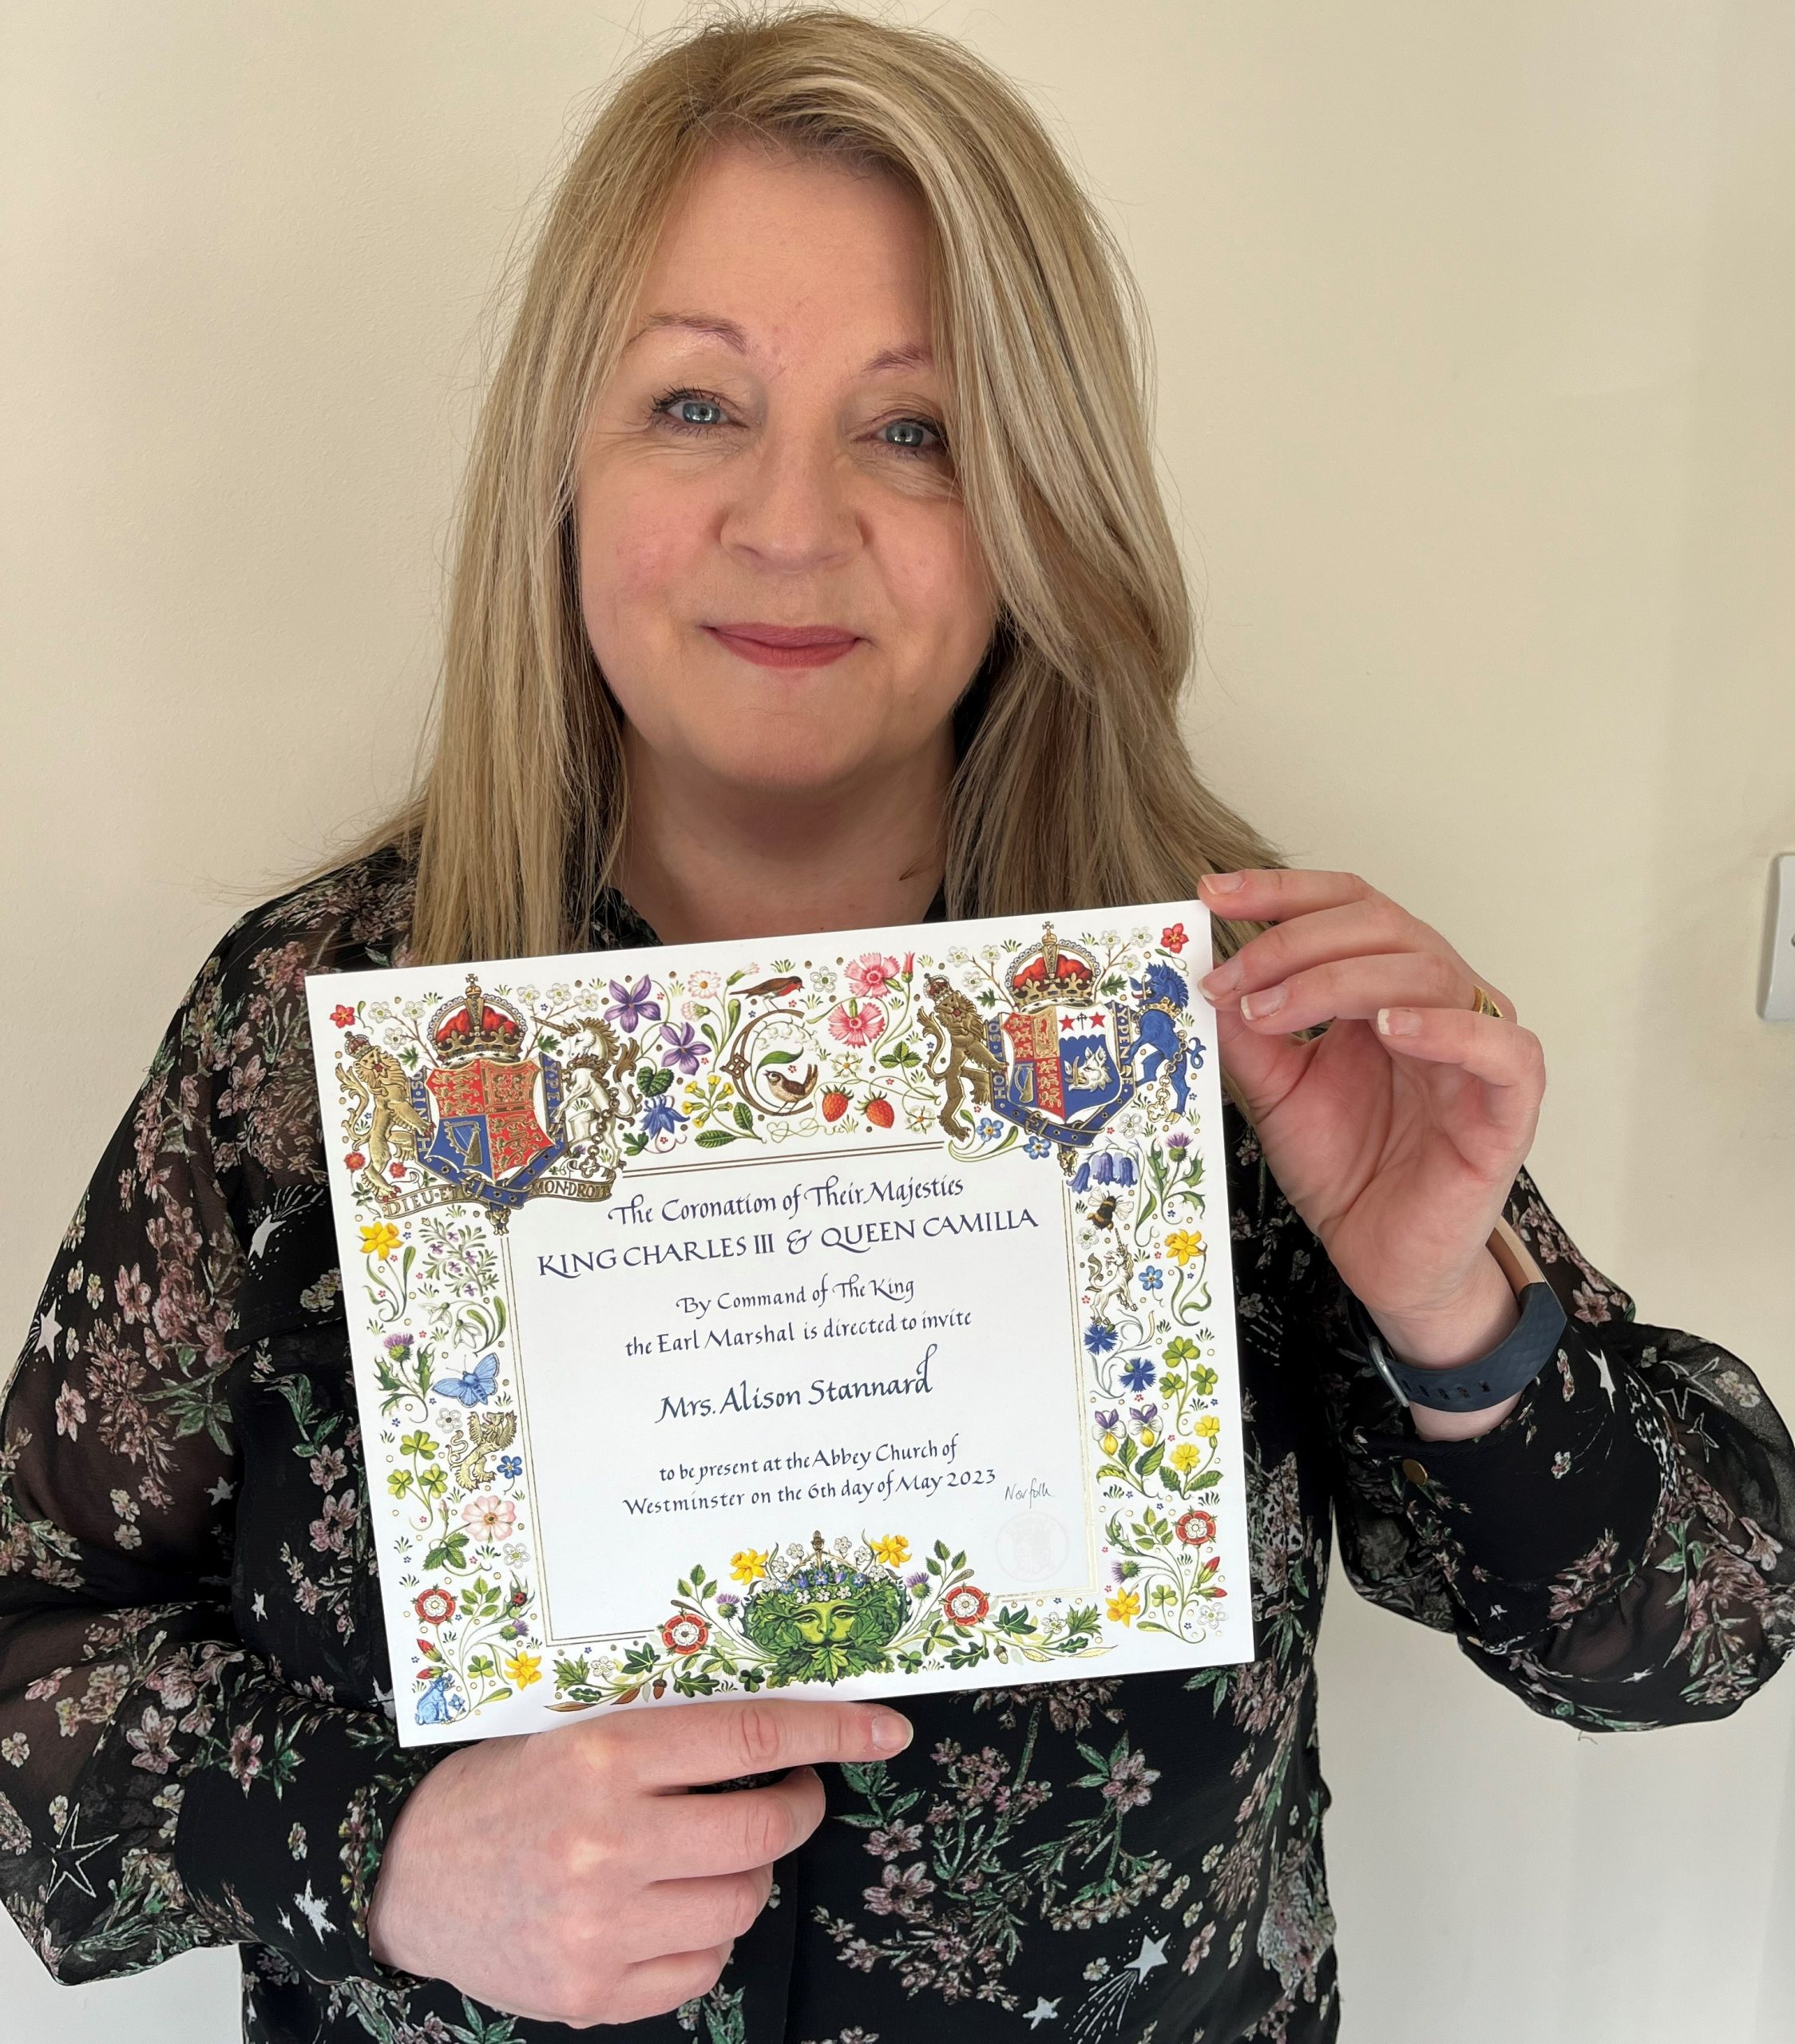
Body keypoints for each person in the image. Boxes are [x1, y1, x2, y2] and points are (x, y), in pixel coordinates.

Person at [3, 8, 1792, 2040]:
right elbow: (27, 1661)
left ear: (1038, 499)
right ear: (559, 471)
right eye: (693, 404)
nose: (791, 519)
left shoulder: (1227, 1024)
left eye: (913, 426)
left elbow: (1698, 1632)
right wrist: (389, 1848)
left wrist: (1449, 1309)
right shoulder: (307, 1036)